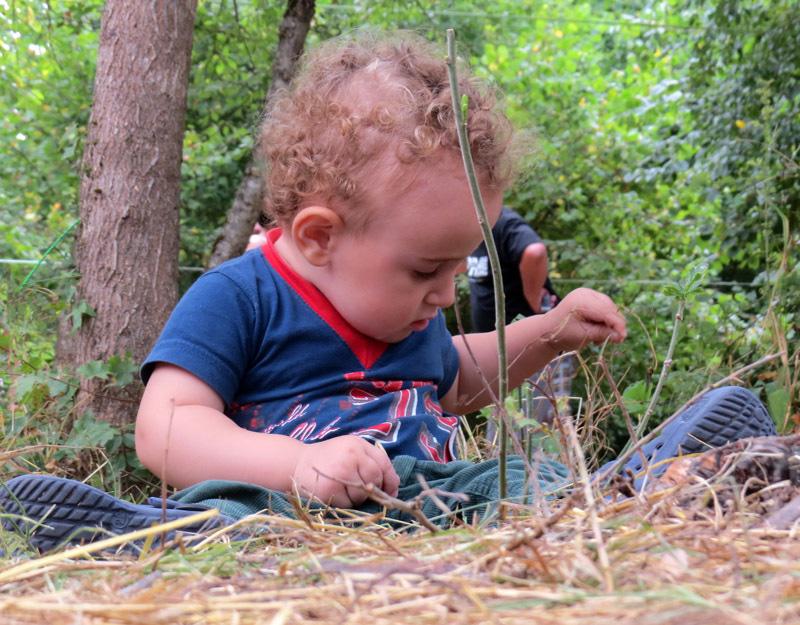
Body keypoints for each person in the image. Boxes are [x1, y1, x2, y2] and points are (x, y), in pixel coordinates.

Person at [0, 31, 777, 552]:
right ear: (320, 236)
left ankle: (648, 483)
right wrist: (298, 466)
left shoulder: (408, 310)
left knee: (524, 478)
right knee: (228, 514)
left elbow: (461, 377)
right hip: (287, 508)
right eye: (425, 269)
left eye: (457, 266)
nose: (445, 292)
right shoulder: (239, 296)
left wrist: (553, 330)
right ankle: (135, 539)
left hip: (432, 497)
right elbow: (165, 427)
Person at [466, 207, 572, 424]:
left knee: (537, 426)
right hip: (499, 356)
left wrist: (533, 297)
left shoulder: (502, 222)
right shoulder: (473, 232)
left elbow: (535, 252)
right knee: (502, 424)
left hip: (530, 351)